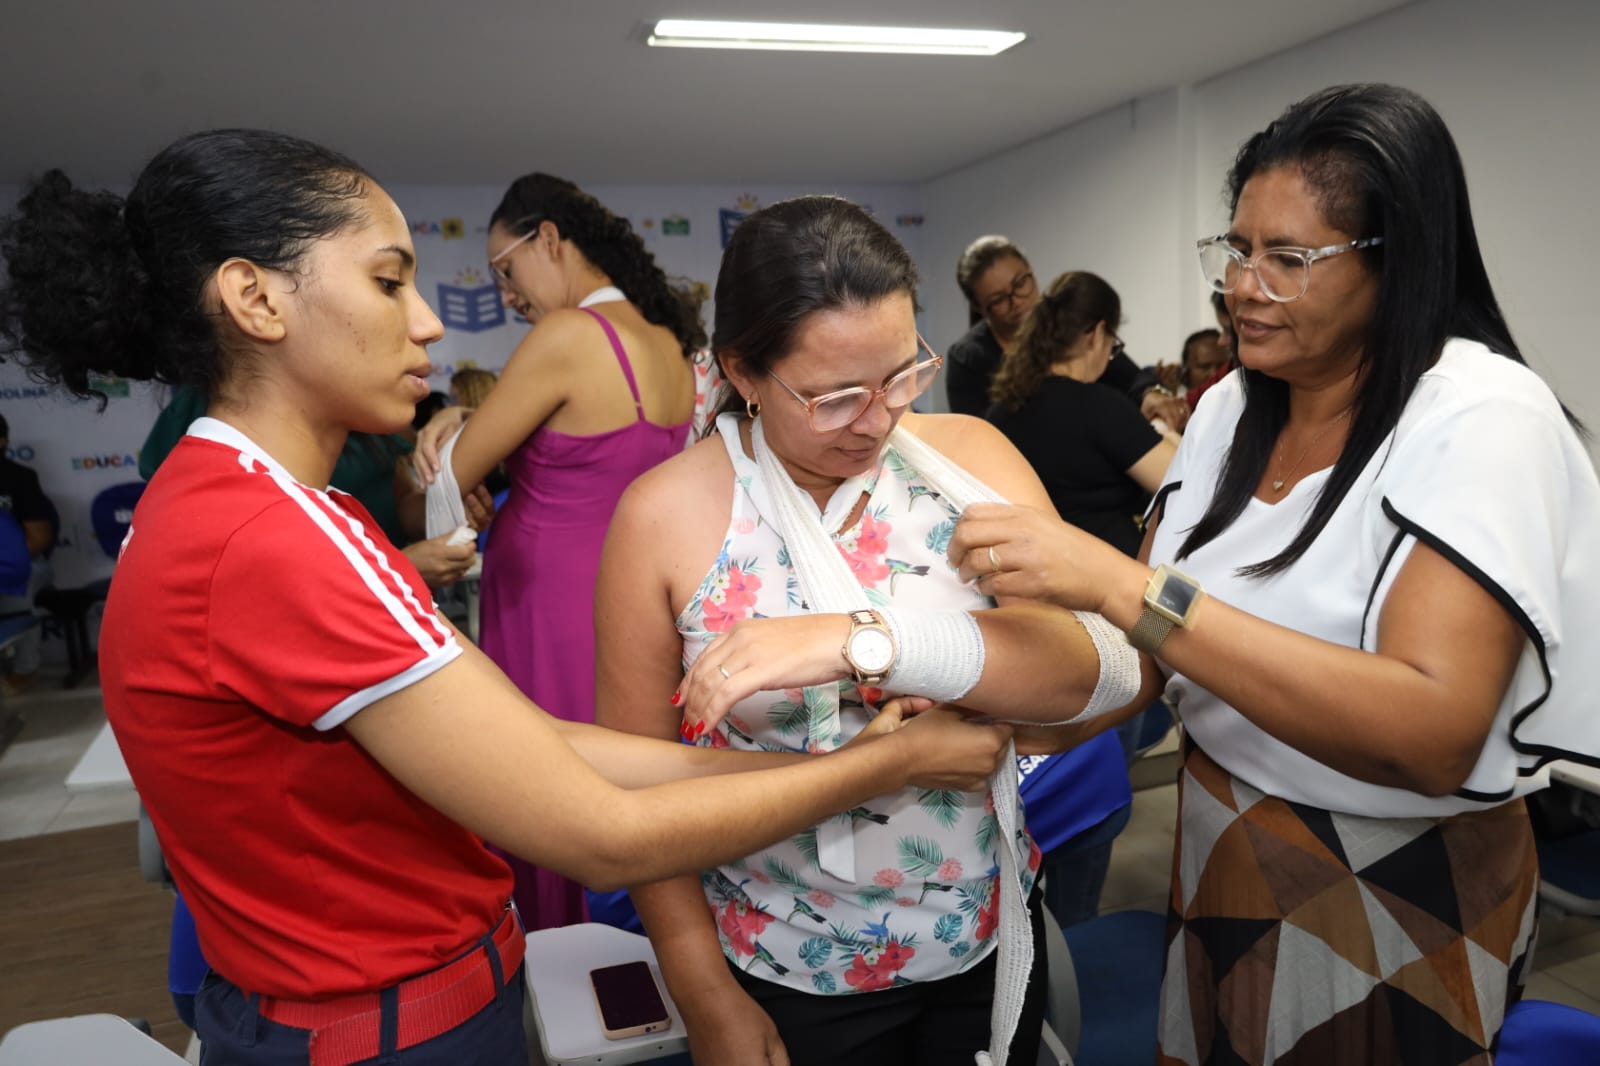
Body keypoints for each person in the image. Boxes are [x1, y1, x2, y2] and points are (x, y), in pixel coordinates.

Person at [0, 130, 1016, 1066]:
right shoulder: (274, 538)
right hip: (384, 1027)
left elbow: (533, 744)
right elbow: (597, 833)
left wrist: (747, 761)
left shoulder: (230, 500)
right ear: (257, 300)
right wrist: (886, 763)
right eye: (389, 281)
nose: (431, 320)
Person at [949, 84, 1600, 1064]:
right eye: (1237, 248)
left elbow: (1428, 731)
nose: (1243, 285)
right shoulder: (1229, 410)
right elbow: (1145, 665)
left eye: (1288, 259)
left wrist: (1128, 589)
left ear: (1397, 260)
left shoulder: (1481, 419)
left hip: (1393, 872)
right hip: (1223, 833)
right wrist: (963, 694)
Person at [597, 196, 1159, 1066]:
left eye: (902, 376)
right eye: (834, 397)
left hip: (982, 930)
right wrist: (702, 988)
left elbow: (1101, 674)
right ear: (744, 372)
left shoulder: (967, 459)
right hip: (784, 959)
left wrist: (865, 637)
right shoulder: (665, 516)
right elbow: (638, 788)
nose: (877, 419)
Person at [408, 173, 704, 931]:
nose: (504, 292)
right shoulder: (664, 339)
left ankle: (561, 969)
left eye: (506, 268)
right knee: (623, 786)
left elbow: (446, 498)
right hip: (636, 602)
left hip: (547, 603)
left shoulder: (568, 336)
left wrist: (440, 436)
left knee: (548, 792)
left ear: (548, 239)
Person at [138, 385, 486, 590]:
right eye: (387, 285)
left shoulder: (365, 403)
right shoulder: (213, 405)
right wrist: (396, 568)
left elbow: (397, 500)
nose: (424, 325)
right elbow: (240, 573)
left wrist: (445, 510)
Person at [987, 271, 1177, 559]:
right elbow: (1179, 480)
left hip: (1029, 576)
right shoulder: (1099, 406)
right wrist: (1166, 434)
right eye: (1113, 346)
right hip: (1109, 580)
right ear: (1098, 334)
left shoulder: (1001, 411)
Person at [947, 236, 1189, 431]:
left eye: (1021, 283)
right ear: (979, 307)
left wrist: (1150, 393)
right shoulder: (969, 358)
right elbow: (976, 436)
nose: (1017, 301)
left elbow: (1127, 375)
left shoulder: (1066, 320)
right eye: (999, 299)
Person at [0, 412, 54, 693]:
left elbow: (39, 538)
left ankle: (26, 668)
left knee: (20, 591)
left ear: (3, 441)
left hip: (22, 563)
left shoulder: (19, 478)